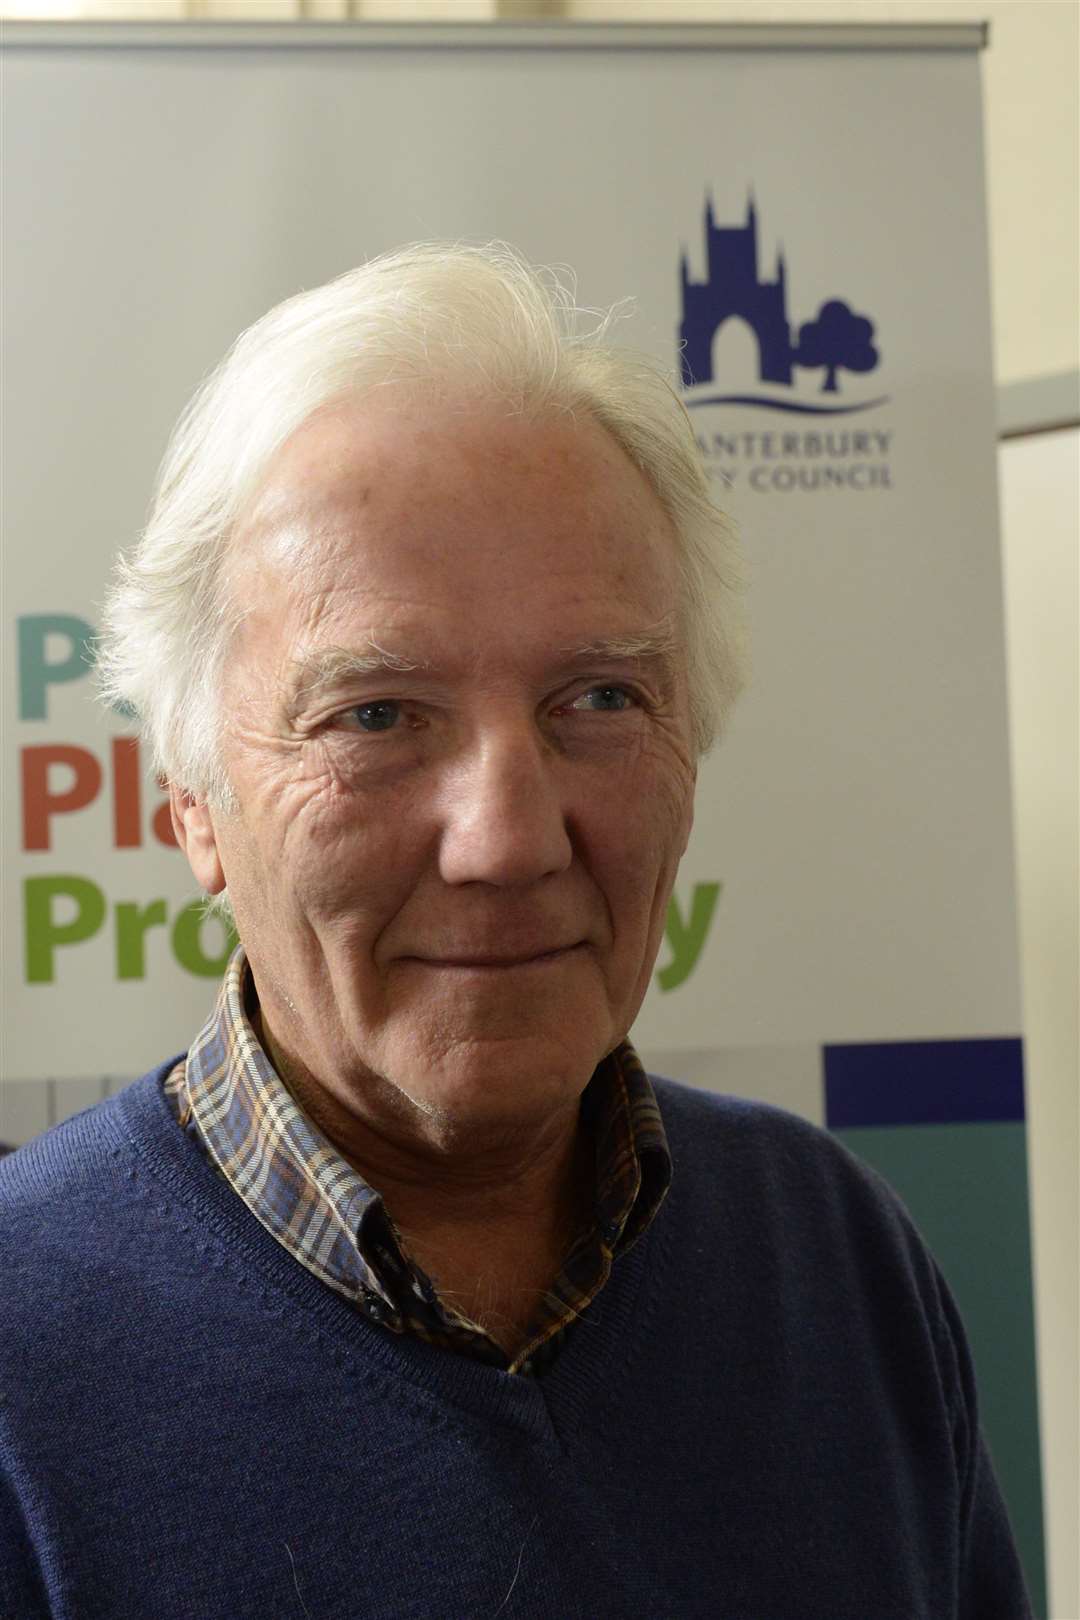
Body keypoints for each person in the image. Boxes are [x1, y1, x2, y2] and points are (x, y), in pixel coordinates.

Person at [1, 245, 1031, 1620]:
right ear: (191, 803)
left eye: (598, 700)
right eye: (375, 715)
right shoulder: (23, 1353)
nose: (506, 841)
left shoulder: (841, 1263)